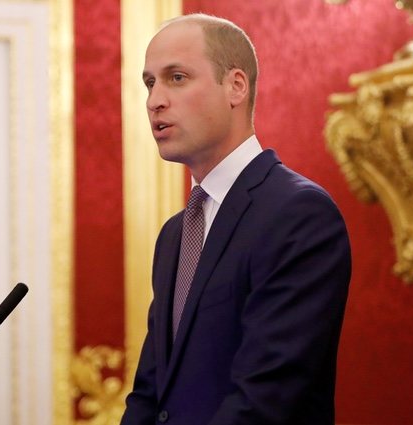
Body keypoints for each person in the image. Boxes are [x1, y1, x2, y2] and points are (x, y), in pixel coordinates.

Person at [121, 13, 351, 425]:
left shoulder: (298, 214)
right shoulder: (175, 234)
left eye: (176, 77)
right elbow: (150, 394)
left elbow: (266, 400)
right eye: (149, 82)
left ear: (235, 87)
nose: (155, 100)